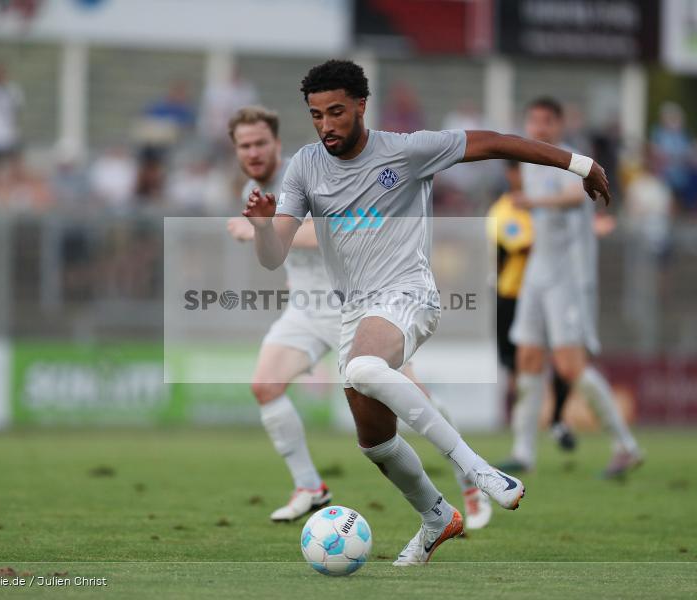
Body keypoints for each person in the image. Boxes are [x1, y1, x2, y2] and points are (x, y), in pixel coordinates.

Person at [242, 60, 612, 565]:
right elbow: (273, 256)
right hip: (355, 310)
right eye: (315, 115)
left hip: (408, 294)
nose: (326, 125)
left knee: (362, 368)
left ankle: (477, 468)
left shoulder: (407, 150)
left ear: (360, 107)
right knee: (375, 443)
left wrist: (579, 164)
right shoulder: (305, 165)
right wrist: (265, 227)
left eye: (336, 112)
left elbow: (496, 141)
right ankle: (437, 517)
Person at [225, 106, 486, 527]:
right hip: (305, 310)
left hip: (356, 305)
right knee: (264, 386)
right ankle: (309, 486)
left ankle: (469, 481)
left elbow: (341, 229)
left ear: (277, 143)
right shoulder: (251, 193)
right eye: (244, 146)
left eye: (260, 143)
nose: (253, 153)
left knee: (414, 403)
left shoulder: (310, 171)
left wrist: (269, 228)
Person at [506, 97, 641, 479]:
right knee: (528, 358)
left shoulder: (573, 160)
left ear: (559, 125)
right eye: (533, 121)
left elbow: (573, 198)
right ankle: (523, 452)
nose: (539, 129)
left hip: (569, 275)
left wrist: (532, 200)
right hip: (538, 271)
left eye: (546, 122)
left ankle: (625, 446)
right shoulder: (530, 161)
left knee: (569, 365)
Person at [488, 161, 575, 461]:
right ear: (510, 175)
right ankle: (523, 438)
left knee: (564, 360)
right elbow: (523, 245)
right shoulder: (503, 210)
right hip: (512, 296)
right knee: (517, 367)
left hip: (552, 292)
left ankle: (557, 419)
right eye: (519, 172)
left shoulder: (543, 205)